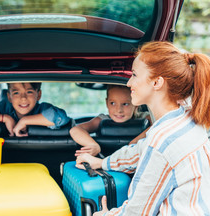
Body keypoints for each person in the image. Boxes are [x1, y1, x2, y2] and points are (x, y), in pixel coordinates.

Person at [76, 41, 210, 215]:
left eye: (134, 74)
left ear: (157, 83)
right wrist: (102, 162)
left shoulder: (162, 139)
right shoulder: (187, 118)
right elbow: (142, 150)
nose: (129, 82)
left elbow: (138, 212)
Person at [0, 82, 71, 137]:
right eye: (16, 93)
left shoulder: (43, 109)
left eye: (29, 92)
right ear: (9, 97)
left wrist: (25, 121)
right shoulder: (1, 109)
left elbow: (61, 117)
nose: (23, 98)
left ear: (38, 95)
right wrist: (4, 118)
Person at [70, 85, 150, 157]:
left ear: (136, 104)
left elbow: (159, 125)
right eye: (112, 103)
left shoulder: (144, 118)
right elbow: (75, 130)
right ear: (107, 103)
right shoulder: (103, 119)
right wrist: (92, 145)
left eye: (125, 104)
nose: (119, 110)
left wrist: (134, 142)